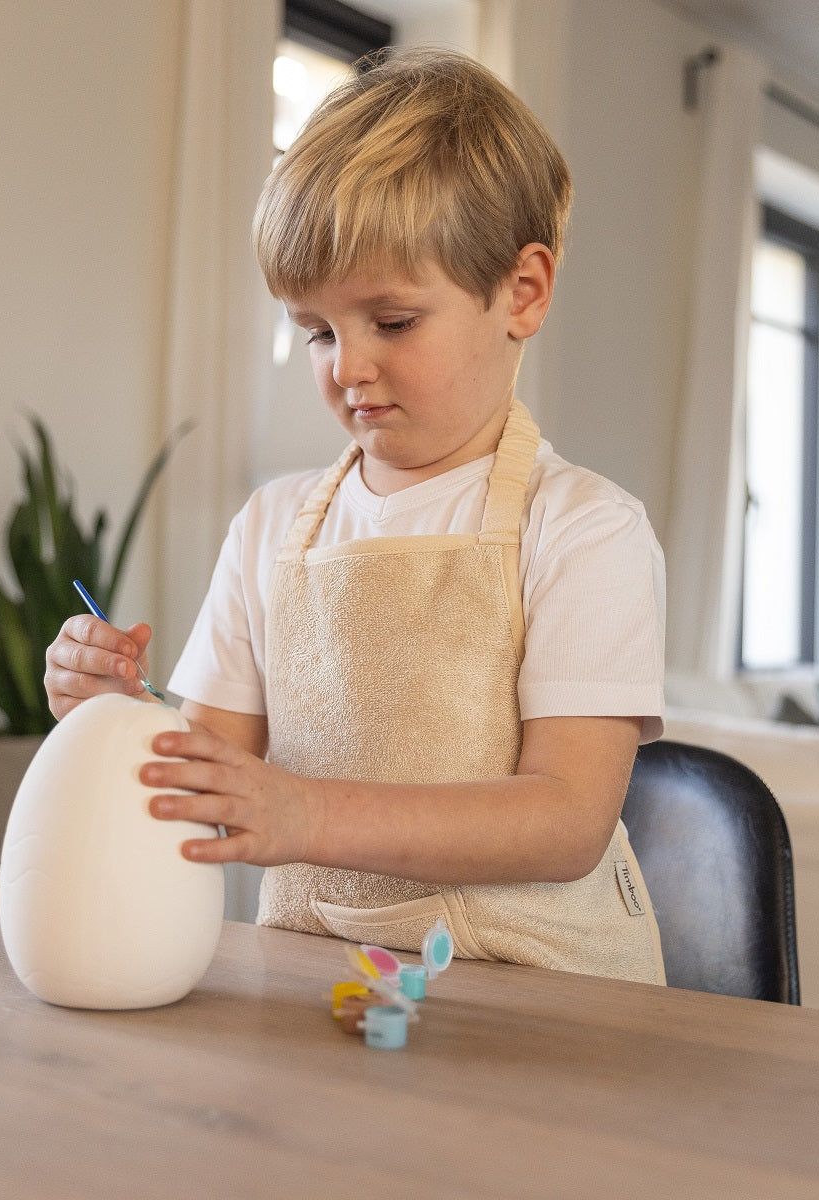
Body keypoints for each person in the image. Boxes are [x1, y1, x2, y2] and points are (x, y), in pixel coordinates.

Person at [45, 48, 666, 984]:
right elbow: (211, 775)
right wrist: (115, 717)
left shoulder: (584, 529)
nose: (347, 366)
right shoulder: (269, 527)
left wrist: (306, 815)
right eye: (318, 331)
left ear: (523, 292)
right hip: (321, 985)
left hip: (543, 999)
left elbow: (566, 820)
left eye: (394, 322)